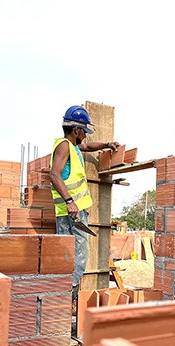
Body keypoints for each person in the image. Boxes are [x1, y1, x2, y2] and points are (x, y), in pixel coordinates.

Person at [49, 105, 119, 309]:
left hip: (74, 211)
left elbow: (88, 147)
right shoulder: (64, 146)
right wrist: (70, 202)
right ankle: (66, 295)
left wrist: (106, 144)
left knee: (74, 255)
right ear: (77, 130)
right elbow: (54, 174)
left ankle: (65, 296)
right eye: (84, 132)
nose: (85, 137)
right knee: (79, 255)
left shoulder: (73, 147)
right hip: (71, 213)